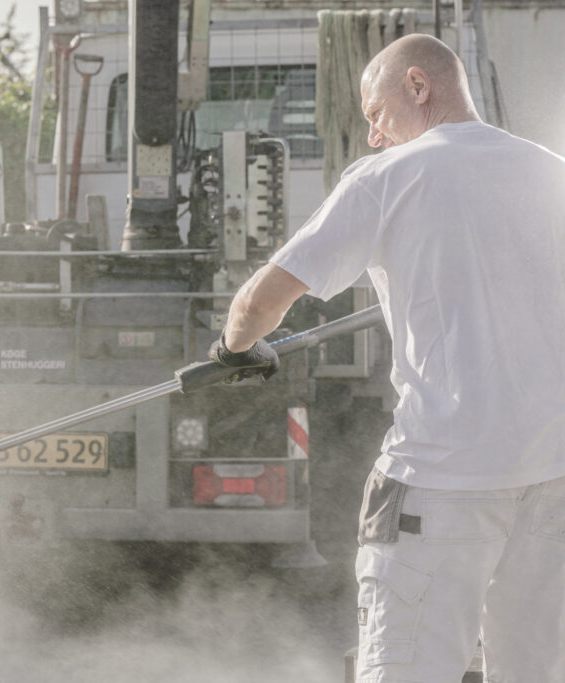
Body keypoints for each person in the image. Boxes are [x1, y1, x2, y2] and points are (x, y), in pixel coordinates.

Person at [208, 33, 565, 682]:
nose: (373, 135)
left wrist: (235, 348)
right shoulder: (553, 171)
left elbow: (266, 296)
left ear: (418, 87)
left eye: (375, 113)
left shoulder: (387, 178)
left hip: (440, 480)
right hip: (553, 480)